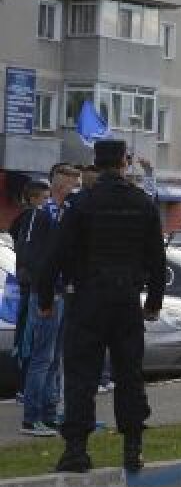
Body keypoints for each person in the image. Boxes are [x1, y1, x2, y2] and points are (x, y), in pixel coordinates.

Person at [37, 141, 165, 471]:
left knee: (81, 377)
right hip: (126, 302)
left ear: (95, 163)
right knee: (129, 376)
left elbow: (56, 253)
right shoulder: (143, 204)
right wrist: (153, 302)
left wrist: (45, 299)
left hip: (87, 300)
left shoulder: (81, 204)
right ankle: (132, 447)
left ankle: (76, 451)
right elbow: (156, 258)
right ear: (125, 162)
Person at [20, 163, 80, 437]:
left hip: (63, 293)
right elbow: (31, 256)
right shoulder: (40, 214)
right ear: (60, 185)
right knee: (42, 357)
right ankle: (31, 418)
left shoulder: (66, 213)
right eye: (71, 183)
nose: (74, 188)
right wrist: (43, 291)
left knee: (55, 358)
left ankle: (49, 413)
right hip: (46, 295)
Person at [9, 179, 49, 405]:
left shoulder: (29, 219)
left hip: (29, 286)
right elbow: (27, 253)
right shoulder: (31, 218)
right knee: (27, 339)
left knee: (31, 339)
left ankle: (27, 388)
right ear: (33, 199)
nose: (47, 203)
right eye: (44, 199)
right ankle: (23, 388)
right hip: (29, 288)